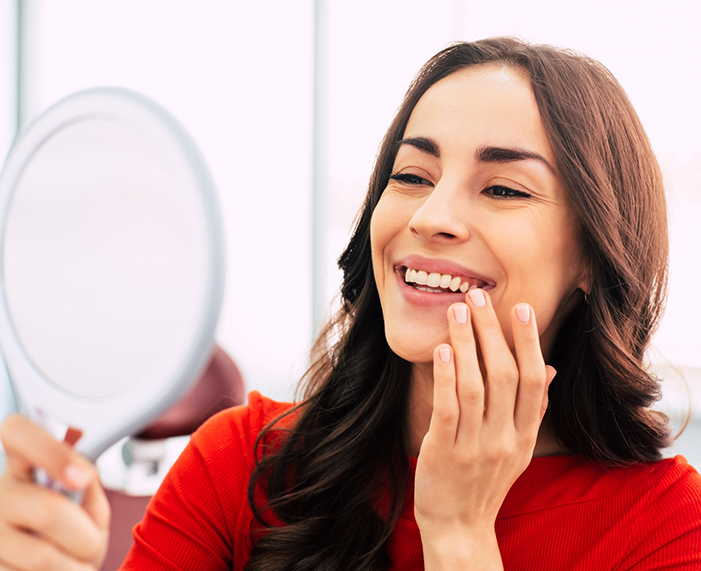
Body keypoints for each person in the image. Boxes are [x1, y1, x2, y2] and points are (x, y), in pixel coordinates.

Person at [1, 37, 700, 571]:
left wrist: (458, 534)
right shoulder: (238, 463)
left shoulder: (667, 524)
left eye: (502, 189)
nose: (430, 215)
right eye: (410, 174)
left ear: (591, 257)